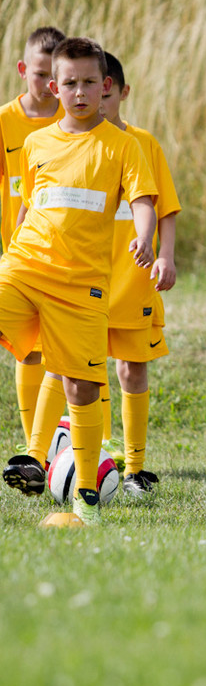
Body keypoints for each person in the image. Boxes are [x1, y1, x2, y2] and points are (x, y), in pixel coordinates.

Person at [0, 37, 158, 527]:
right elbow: (29, 203)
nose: (81, 91)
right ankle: (35, 451)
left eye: (91, 82)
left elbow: (143, 200)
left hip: (83, 287)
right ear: (55, 86)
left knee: (82, 385)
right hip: (25, 267)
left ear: (106, 86)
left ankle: (85, 497)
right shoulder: (36, 141)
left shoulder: (124, 146)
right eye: (70, 83)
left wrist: (146, 238)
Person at [99, 51, 180, 497]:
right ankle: (97, 460)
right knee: (87, 371)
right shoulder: (72, 142)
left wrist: (165, 254)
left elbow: (165, 205)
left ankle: (135, 468)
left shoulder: (144, 144)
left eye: (107, 91)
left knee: (132, 369)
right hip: (86, 278)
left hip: (134, 277)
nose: (99, 100)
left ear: (120, 92)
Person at [0, 26, 66, 449]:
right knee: (29, 352)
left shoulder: (73, 119)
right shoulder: (4, 122)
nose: (48, 85)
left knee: (69, 354)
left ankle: (79, 447)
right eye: (39, 74)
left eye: (54, 76)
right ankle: (34, 450)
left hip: (64, 259)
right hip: (18, 257)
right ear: (23, 69)